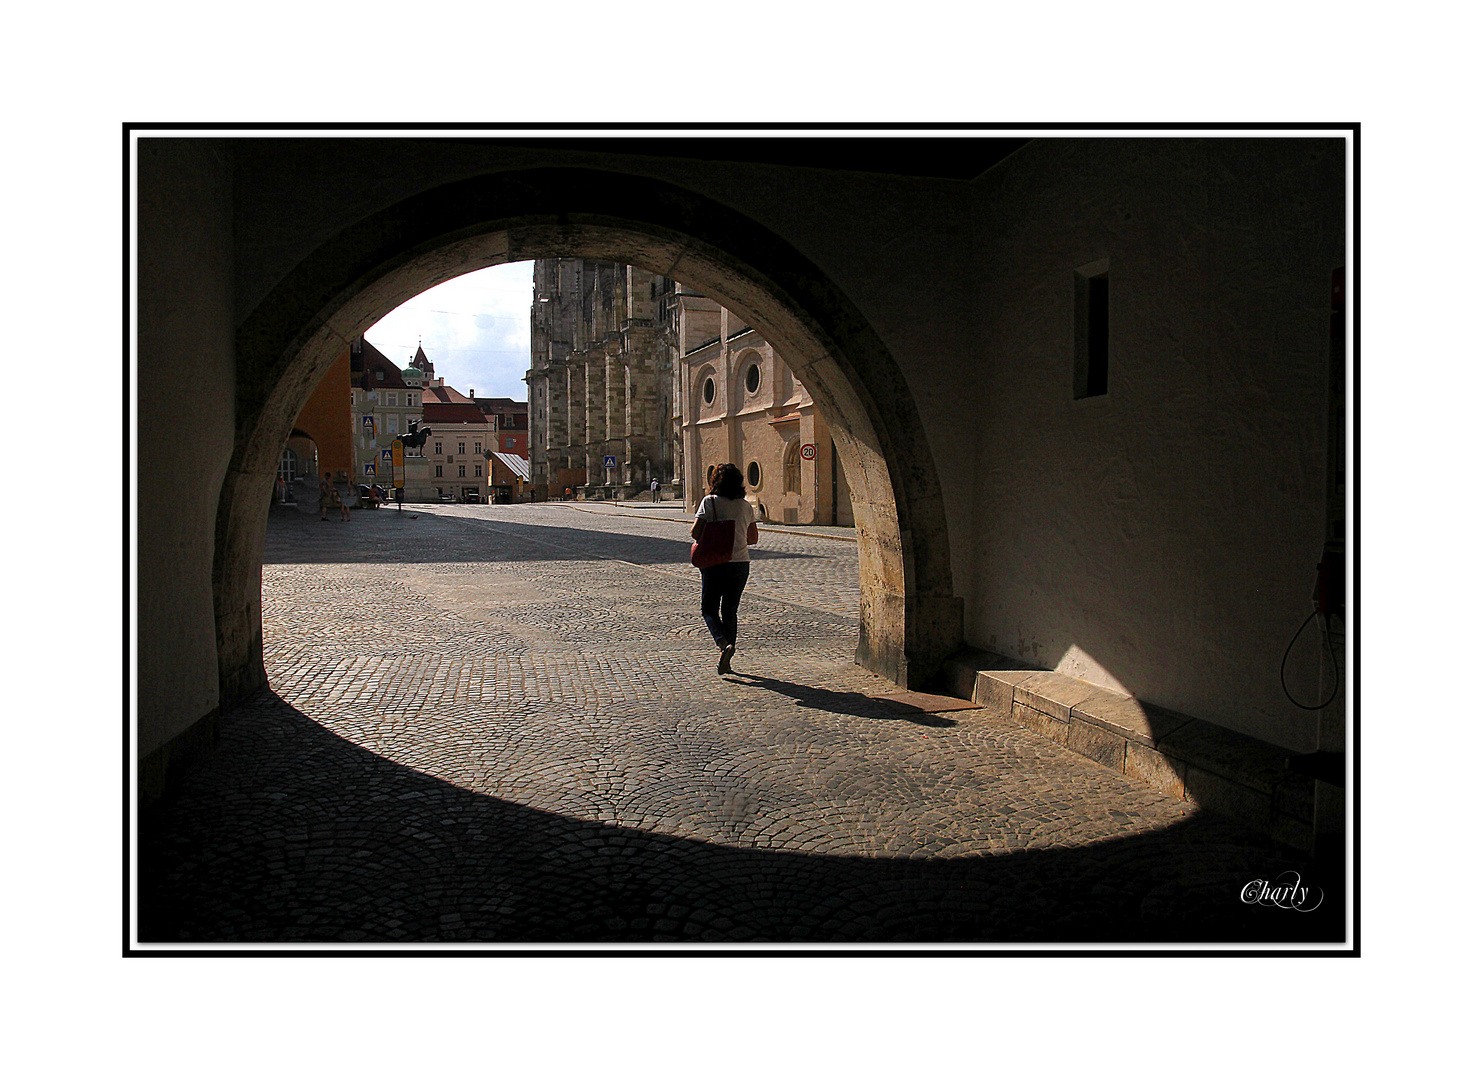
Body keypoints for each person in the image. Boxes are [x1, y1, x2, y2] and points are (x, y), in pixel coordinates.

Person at [691, 463, 758, 675]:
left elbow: (695, 532)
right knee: (730, 610)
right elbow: (753, 538)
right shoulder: (745, 506)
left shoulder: (709, 502)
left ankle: (722, 643)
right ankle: (727, 658)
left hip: (715, 562)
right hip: (740, 564)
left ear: (715, 481)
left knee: (708, 608)